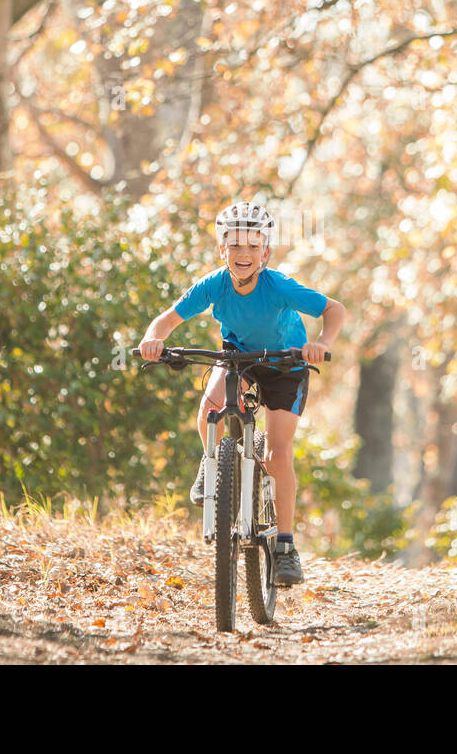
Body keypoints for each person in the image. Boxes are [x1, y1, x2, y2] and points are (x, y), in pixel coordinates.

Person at [137, 201, 346, 586]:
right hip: (240, 358)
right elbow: (167, 320)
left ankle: (285, 546)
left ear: (265, 252)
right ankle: (211, 464)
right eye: (235, 246)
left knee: (277, 454)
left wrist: (321, 342)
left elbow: (334, 310)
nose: (243, 254)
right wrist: (153, 339)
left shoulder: (278, 285)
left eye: (252, 246)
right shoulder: (214, 284)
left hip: (287, 363)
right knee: (210, 408)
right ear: (222, 250)